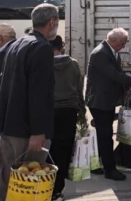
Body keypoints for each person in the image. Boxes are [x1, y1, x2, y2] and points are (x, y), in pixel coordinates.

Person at [0, 3, 59, 201]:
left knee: (6, 177)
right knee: (25, 181)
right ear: (52, 22)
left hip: (9, 125)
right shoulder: (42, 48)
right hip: (27, 131)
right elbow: (39, 93)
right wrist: (38, 131)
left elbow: (0, 86)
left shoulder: (14, 45)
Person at [85, 27, 131, 181]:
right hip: (99, 101)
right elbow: (114, 75)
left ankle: (95, 164)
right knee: (105, 135)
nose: (124, 46)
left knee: (102, 135)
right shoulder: (101, 54)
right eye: (123, 43)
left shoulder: (110, 51)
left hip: (105, 99)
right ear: (114, 40)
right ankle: (109, 170)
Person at [49, 35, 84, 201]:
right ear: (61, 46)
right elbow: (79, 90)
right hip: (70, 111)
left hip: (50, 110)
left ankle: (46, 188)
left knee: (50, 150)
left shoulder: (45, 65)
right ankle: (58, 189)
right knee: (64, 150)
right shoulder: (74, 64)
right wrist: (82, 113)